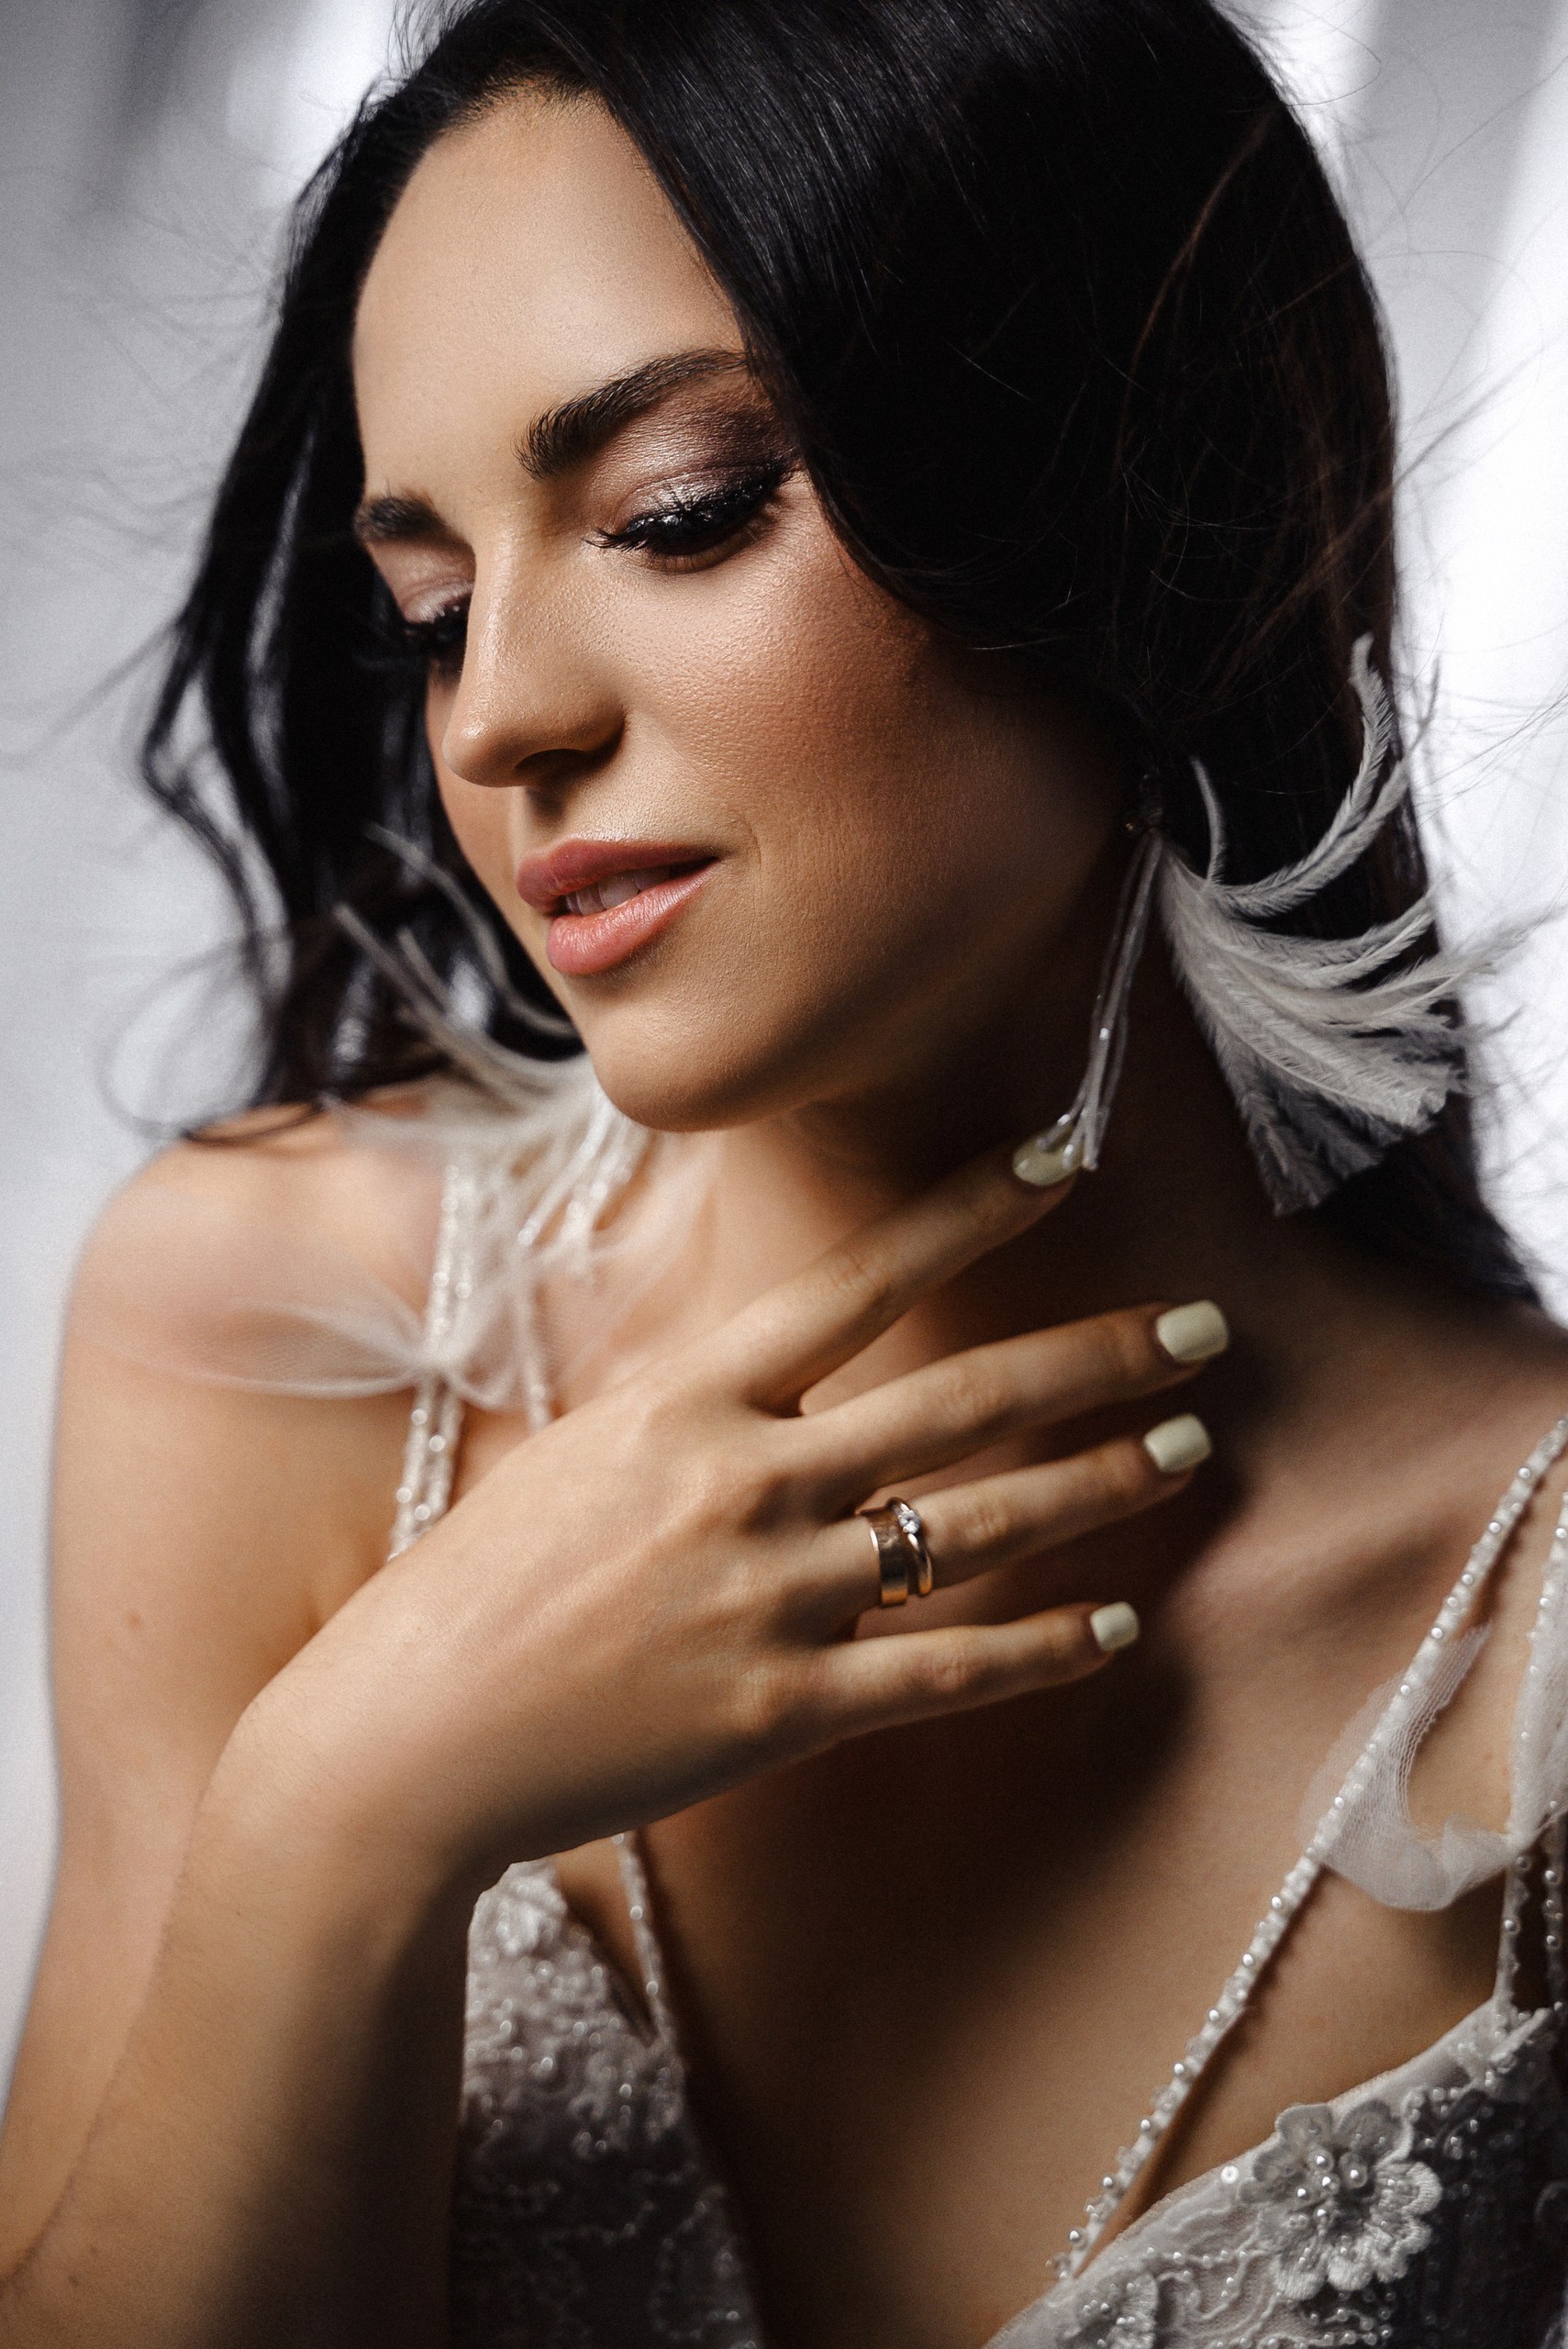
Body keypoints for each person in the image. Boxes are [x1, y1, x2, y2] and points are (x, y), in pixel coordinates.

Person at [3, 0, 1567, 2341]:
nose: (500, 715)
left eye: (679, 513)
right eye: (433, 608)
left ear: (1144, 505)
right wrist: (341, 1809)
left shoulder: (1529, 1627)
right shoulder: (279, 1334)